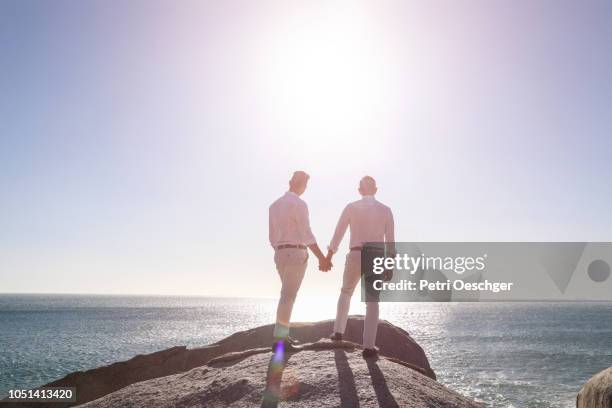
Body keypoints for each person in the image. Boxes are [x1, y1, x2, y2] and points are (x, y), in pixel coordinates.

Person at [326, 176, 395, 358]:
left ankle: (338, 332)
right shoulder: (386, 210)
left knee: (346, 291)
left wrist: (329, 254)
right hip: (376, 255)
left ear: (359, 190)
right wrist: (390, 264)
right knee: (372, 301)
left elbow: (338, 232)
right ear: (376, 189)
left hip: (356, 253)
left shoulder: (351, 207)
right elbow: (391, 240)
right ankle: (369, 347)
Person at [268, 171, 331, 352]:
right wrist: (322, 259)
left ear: (290, 182)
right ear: (303, 186)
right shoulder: (299, 204)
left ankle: (283, 335)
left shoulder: (274, 206)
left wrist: (280, 249)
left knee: (286, 295)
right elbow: (307, 234)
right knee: (288, 296)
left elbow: (272, 237)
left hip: (280, 254)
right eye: (305, 184)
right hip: (296, 253)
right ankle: (280, 340)